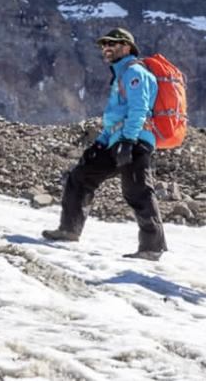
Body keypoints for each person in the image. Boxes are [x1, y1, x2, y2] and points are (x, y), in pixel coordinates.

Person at [42, 27, 167, 261]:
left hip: (135, 140)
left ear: (127, 47)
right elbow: (114, 118)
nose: (106, 48)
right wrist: (99, 144)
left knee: (138, 191)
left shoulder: (134, 72)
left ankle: (152, 248)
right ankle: (69, 230)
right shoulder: (120, 74)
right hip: (116, 140)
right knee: (81, 176)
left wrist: (129, 141)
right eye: (104, 44)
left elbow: (138, 109)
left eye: (112, 43)